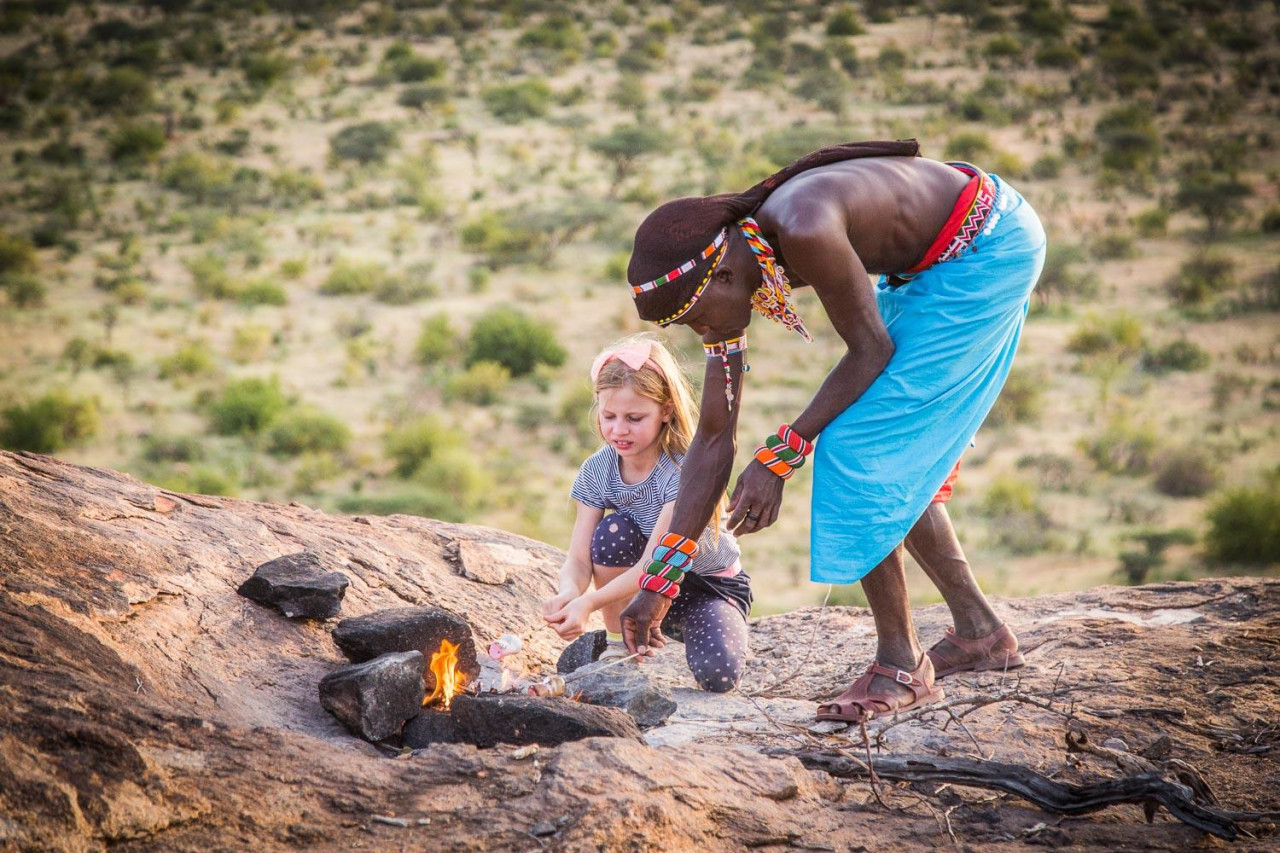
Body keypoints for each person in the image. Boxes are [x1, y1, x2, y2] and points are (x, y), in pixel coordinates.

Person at [618, 139, 1042, 722]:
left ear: (720, 275)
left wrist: (780, 457)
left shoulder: (805, 225)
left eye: (695, 317)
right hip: (929, 264)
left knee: (856, 447)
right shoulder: (741, 269)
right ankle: (980, 632)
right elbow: (715, 439)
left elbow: (870, 350)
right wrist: (663, 577)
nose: (702, 333)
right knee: (880, 447)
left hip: (985, 250)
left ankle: (901, 663)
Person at [540, 334, 752, 693]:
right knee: (612, 533)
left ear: (665, 411)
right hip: (640, 589)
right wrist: (568, 594)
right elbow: (578, 558)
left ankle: (690, 626)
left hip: (708, 586)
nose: (618, 430)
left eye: (635, 418)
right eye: (609, 416)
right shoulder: (598, 469)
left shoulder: (683, 470)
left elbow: (652, 564)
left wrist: (588, 603)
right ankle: (619, 645)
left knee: (719, 677)